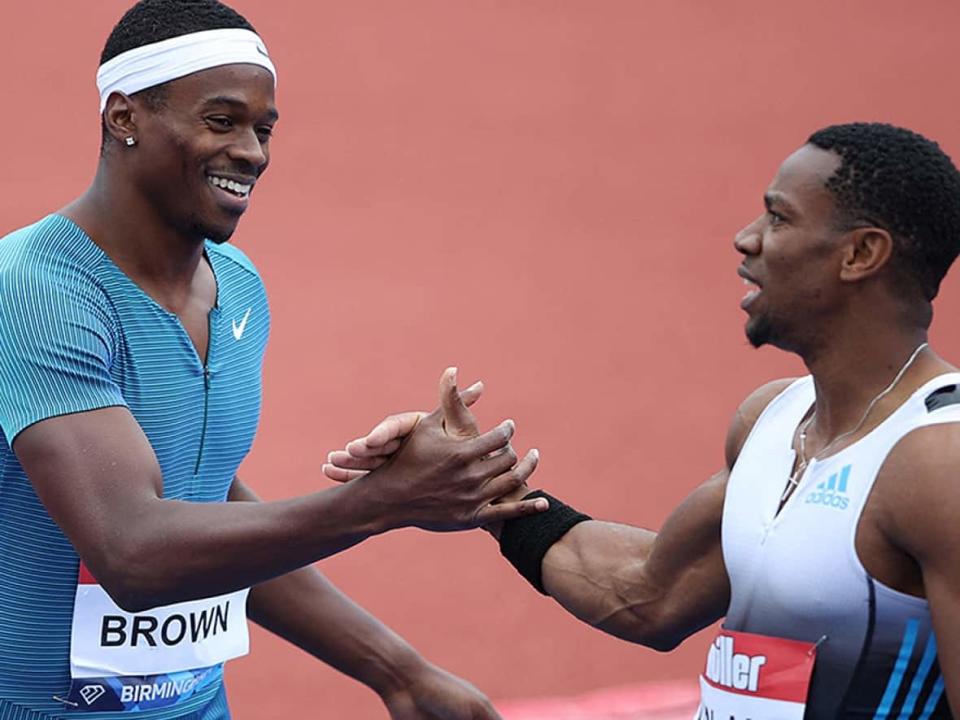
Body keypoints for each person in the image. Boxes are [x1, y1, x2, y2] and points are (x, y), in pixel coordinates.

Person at [0, 1, 548, 718]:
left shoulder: (238, 286)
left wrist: (400, 672)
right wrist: (380, 502)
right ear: (124, 118)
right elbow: (133, 551)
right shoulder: (32, 291)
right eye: (222, 121)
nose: (253, 152)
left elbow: (205, 514)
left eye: (263, 129)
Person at [327, 122, 960, 718]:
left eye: (779, 217)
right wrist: (484, 484)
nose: (747, 238)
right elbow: (648, 593)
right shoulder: (774, 418)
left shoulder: (939, 461)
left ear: (861, 253)